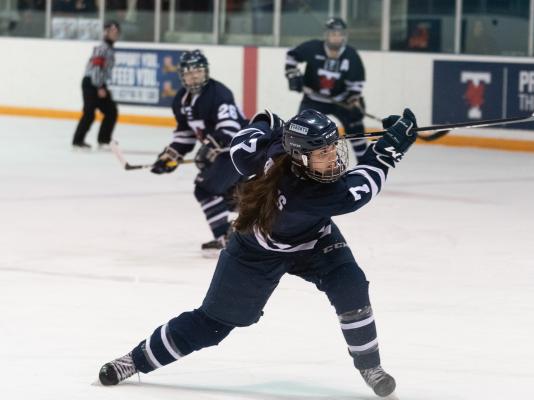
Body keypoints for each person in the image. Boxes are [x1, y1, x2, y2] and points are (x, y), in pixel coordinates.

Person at [97, 107, 419, 399]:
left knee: (351, 285)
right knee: (211, 325)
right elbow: (365, 183)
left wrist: (275, 126)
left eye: (333, 147)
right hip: (255, 253)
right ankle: (133, 361)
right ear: (301, 158)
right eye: (323, 152)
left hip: (313, 241)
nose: (333, 157)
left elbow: (246, 137)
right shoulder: (308, 193)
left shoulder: (270, 153)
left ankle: (370, 367)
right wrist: (392, 146)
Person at [149, 49, 246, 254]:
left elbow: (230, 129)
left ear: (206, 71)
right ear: (182, 75)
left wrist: (209, 146)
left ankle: (226, 237)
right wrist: (170, 156)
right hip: (223, 153)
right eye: (189, 72)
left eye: (198, 71)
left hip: (239, 151)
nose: (194, 76)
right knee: (231, 198)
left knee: (205, 189)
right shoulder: (181, 101)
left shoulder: (219, 93)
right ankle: (236, 235)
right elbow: (185, 134)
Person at [285, 17, 369, 159]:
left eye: (339, 34)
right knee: (301, 131)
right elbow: (292, 55)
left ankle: (365, 164)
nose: (336, 37)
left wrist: (353, 99)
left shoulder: (351, 55)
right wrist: (292, 74)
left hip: (341, 100)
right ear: (327, 35)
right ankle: (296, 165)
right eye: (333, 33)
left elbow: (356, 83)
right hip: (313, 100)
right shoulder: (313, 48)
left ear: (344, 36)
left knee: (357, 129)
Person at [71, 20, 120, 150]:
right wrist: (100, 87)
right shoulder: (102, 48)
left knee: (111, 111)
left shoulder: (109, 49)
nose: (115, 34)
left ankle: (103, 140)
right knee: (89, 114)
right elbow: (97, 68)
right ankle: (77, 141)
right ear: (106, 32)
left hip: (97, 83)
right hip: (91, 83)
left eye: (116, 32)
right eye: (112, 31)